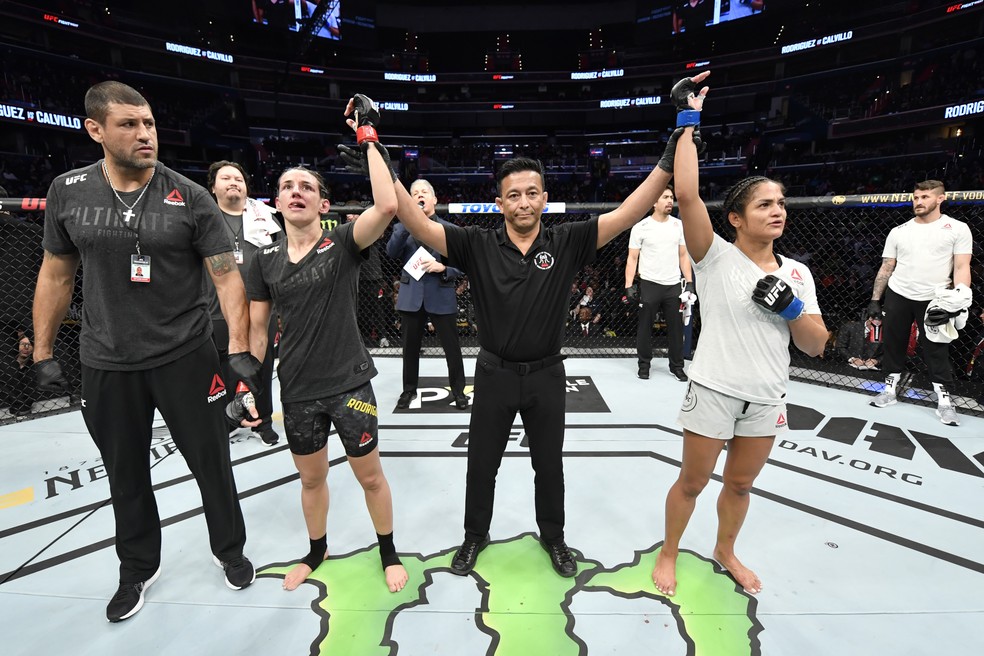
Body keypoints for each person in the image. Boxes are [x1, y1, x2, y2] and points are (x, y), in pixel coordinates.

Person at [339, 75, 712, 579]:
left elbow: (630, 211)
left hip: (546, 376)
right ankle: (474, 536)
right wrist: (371, 140)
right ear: (500, 203)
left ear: (544, 198)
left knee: (549, 466)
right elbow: (412, 215)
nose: (522, 202)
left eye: (531, 193)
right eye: (512, 195)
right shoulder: (475, 245)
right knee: (481, 465)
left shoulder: (567, 241)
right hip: (493, 374)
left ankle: (554, 539)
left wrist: (679, 132)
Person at [32, 81, 261, 623]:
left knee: (212, 461)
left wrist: (236, 348)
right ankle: (136, 568)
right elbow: (56, 273)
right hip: (107, 360)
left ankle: (229, 550)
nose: (144, 134)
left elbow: (227, 279)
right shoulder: (68, 191)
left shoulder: (189, 194)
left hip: (185, 353)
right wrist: (43, 350)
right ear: (95, 130)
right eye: (129, 124)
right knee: (125, 471)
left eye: (149, 123)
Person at [651, 75, 828, 598]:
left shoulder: (797, 273)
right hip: (714, 387)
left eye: (781, 203)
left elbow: (815, 346)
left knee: (741, 484)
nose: (777, 210)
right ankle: (667, 553)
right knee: (691, 483)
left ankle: (725, 550)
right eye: (764, 204)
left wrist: (794, 309)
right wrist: (688, 119)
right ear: (735, 218)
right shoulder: (714, 257)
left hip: (766, 396)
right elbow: (685, 193)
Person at [245, 95, 408, 593]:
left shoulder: (340, 245)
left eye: (307, 187)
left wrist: (368, 136)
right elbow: (256, 331)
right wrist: (248, 386)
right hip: (296, 389)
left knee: (371, 478)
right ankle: (316, 551)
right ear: (276, 202)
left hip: (349, 384)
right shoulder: (262, 260)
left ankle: (388, 551)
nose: (296, 192)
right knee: (311, 480)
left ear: (323, 203)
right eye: (287, 186)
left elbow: (387, 205)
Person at [867, 180, 973, 426]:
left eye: (925, 197)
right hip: (898, 293)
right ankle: (889, 390)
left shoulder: (957, 228)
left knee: (936, 348)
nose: (919, 201)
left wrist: (960, 297)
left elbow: (961, 266)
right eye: (916, 197)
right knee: (894, 343)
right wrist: (875, 299)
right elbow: (887, 267)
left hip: (935, 297)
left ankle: (945, 401)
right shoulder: (899, 231)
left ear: (940, 199)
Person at [205, 159, 282, 446]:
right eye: (226, 178)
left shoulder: (265, 217)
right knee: (221, 368)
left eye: (238, 178)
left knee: (260, 366)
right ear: (213, 187)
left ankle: (262, 421)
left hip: (260, 306)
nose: (234, 182)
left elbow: (282, 257)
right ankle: (228, 419)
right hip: (215, 308)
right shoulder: (204, 218)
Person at [386, 179, 467, 410]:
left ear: (434, 200)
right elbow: (391, 252)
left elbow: (464, 263)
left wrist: (444, 269)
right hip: (412, 297)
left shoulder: (450, 229)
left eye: (424, 193)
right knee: (410, 348)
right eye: (414, 194)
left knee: (452, 348)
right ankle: (408, 390)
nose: (419, 196)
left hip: (440, 293)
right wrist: (405, 220)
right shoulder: (401, 229)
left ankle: (459, 391)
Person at [625, 186, 694, 381]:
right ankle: (644, 365)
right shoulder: (641, 227)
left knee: (676, 329)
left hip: (673, 285)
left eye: (671, 197)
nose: (670, 201)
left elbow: (683, 255)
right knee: (645, 327)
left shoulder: (678, 225)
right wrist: (629, 285)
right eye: (665, 197)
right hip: (649, 283)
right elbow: (632, 258)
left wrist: (689, 282)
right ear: (654, 202)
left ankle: (677, 366)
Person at [6, 334, 37, 417]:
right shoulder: (7, 369)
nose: (26, 347)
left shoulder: (34, 369)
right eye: (22, 344)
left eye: (29, 344)